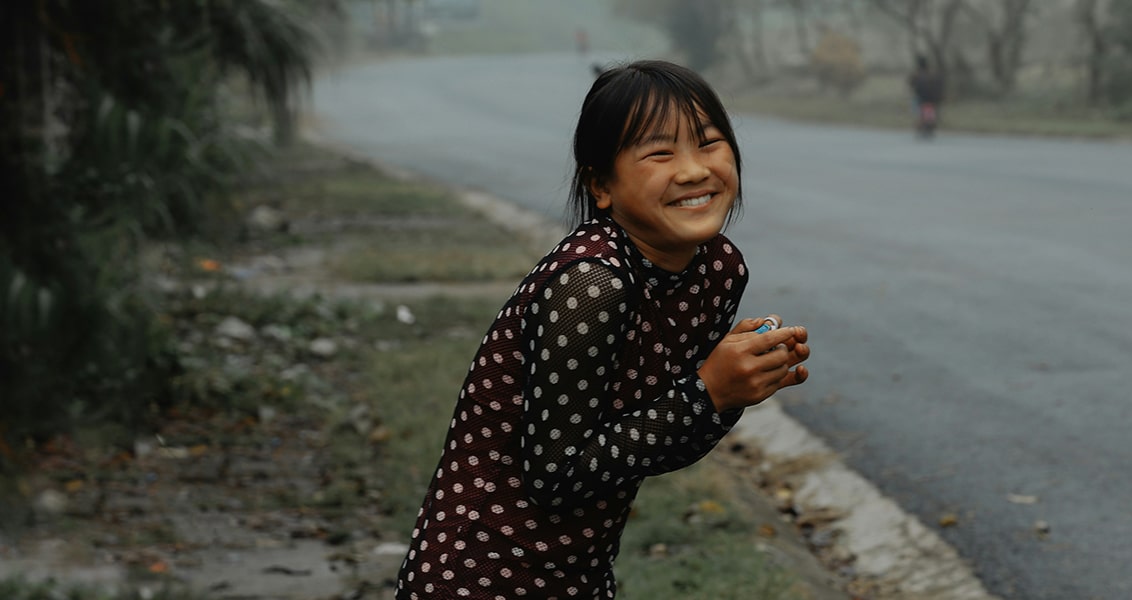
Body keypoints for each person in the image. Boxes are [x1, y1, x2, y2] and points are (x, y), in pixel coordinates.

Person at [393, 59, 810, 600]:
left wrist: (731, 388)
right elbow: (555, 476)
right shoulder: (590, 283)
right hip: (481, 570)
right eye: (661, 153)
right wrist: (709, 392)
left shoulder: (716, 271)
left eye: (709, 144)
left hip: (581, 573)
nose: (693, 171)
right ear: (601, 185)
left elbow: (656, 445)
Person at [907, 55, 945, 137]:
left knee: (917, 108)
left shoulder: (916, 74)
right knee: (930, 111)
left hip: (921, 98)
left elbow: (911, 84)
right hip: (932, 99)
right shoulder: (932, 74)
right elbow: (939, 85)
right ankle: (929, 123)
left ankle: (921, 123)